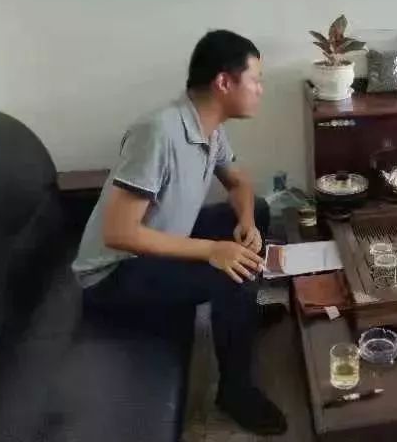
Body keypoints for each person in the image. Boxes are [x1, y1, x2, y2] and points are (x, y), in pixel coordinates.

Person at [72, 30, 287, 435]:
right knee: (231, 272)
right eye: (255, 79)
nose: (260, 89)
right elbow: (118, 233)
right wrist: (211, 250)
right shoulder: (158, 132)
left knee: (256, 210)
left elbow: (239, 183)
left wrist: (246, 221)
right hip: (113, 275)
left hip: (158, 248)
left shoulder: (209, 127)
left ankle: (239, 316)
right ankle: (235, 391)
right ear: (224, 82)